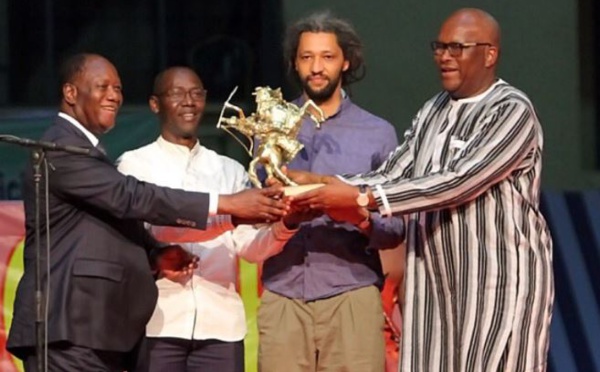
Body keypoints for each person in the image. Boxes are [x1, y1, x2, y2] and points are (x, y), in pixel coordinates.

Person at [292, 8, 554, 371]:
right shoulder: (433, 109)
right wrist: (321, 184)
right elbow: (394, 172)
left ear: (490, 54)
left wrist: (362, 199)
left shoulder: (512, 111)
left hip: (497, 284)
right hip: (434, 284)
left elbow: (460, 181)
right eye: (439, 47)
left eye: (456, 48)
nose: (444, 56)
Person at [6, 53, 289, 372]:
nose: (114, 95)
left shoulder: (87, 151)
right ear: (71, 93)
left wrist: (155, 256)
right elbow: (130, 197)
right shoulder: (62, 149)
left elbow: (106, 225)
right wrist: (226, 204)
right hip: (70, 325)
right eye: (102, 86)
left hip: (95, 328)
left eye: (118, 88)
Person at [116, 66, 309, 372]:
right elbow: (134, 239)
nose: (189, 101)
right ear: (155, 104)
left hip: (221, 326)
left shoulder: (230, 169)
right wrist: (229, 214)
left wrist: (286, 224)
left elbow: (249, 248)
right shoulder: (134, 166)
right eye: (177, 93)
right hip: (158, 323)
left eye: (196, 93)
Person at [257, 12, 405, 372]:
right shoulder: (270, 128)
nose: (316, 67)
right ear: (295, 63)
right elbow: (255, 213)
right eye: (307, 57)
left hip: (351, 292)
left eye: (327, 57)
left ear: (346, 61)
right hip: (283, 292)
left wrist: (354, 212)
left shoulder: (377, 133)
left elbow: (397, 228)